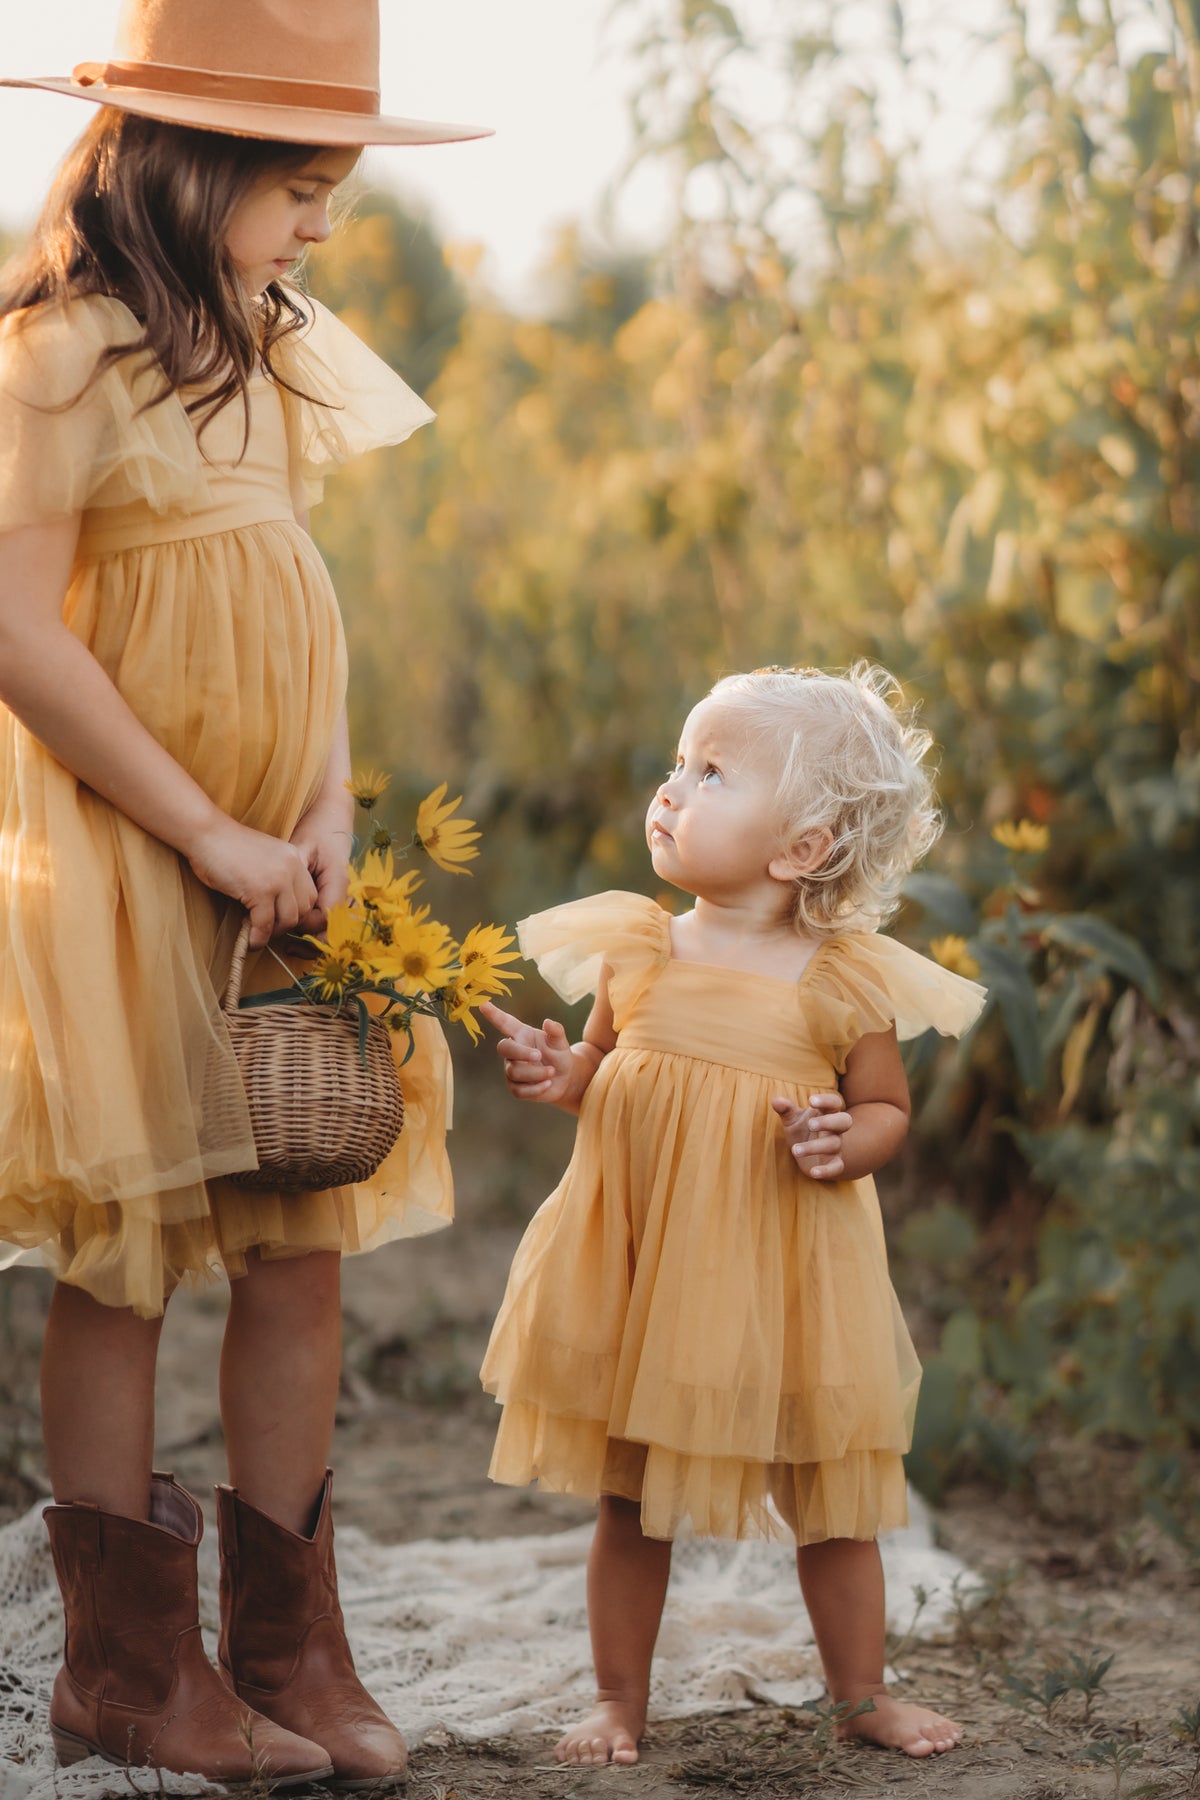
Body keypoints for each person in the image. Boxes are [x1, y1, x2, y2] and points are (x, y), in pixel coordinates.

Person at [0, 0, 489, 1786]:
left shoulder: (278, 342)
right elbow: (18, 634)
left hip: (276, 859)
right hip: (138, 852)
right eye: (302, 188)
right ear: (190, 165)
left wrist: (323, 798)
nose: (326, 226)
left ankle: (294, 1647)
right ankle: (129, 1668)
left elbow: (303, 589)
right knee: (127, 1251)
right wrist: (203, 828)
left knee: (301, 1233)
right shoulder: (62, 352)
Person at [480, 665, 987, 1767]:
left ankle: (862, 1695)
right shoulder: (641, 947)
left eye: (710, 772)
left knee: (831, 1501)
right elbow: (600, 1073)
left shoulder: (839, 979)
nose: (671, 789)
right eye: (677, 763)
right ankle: (620, 1700)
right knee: (630, 1494)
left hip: (785, 1278)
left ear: (801, 847)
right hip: (643, 1264)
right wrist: (557, 1069)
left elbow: (886, 1110)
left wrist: (841, 1144)